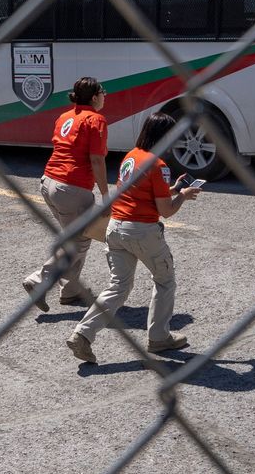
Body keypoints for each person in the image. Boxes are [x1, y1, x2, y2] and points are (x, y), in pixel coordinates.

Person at [66, 111, 202, 364]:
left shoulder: (131, 156)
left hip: (116, 228)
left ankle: (83, 333)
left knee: (118, 285)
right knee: (165, 281)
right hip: (143, 231)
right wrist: (183, 196)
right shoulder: (159, 166)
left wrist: (173, 189)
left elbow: (142, 192)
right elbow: (166, 211)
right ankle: (159, 337)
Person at [21, 77, 110, 311]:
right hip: (72, 187)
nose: (105, 96)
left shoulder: (65, 117)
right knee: (78, 241)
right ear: (94, 97)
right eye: (102, 92)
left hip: (49, 181)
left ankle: (70, 290)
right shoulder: (96, 119)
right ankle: (39, 281)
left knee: (76, 237)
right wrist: (105, 193)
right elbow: (97, 160)